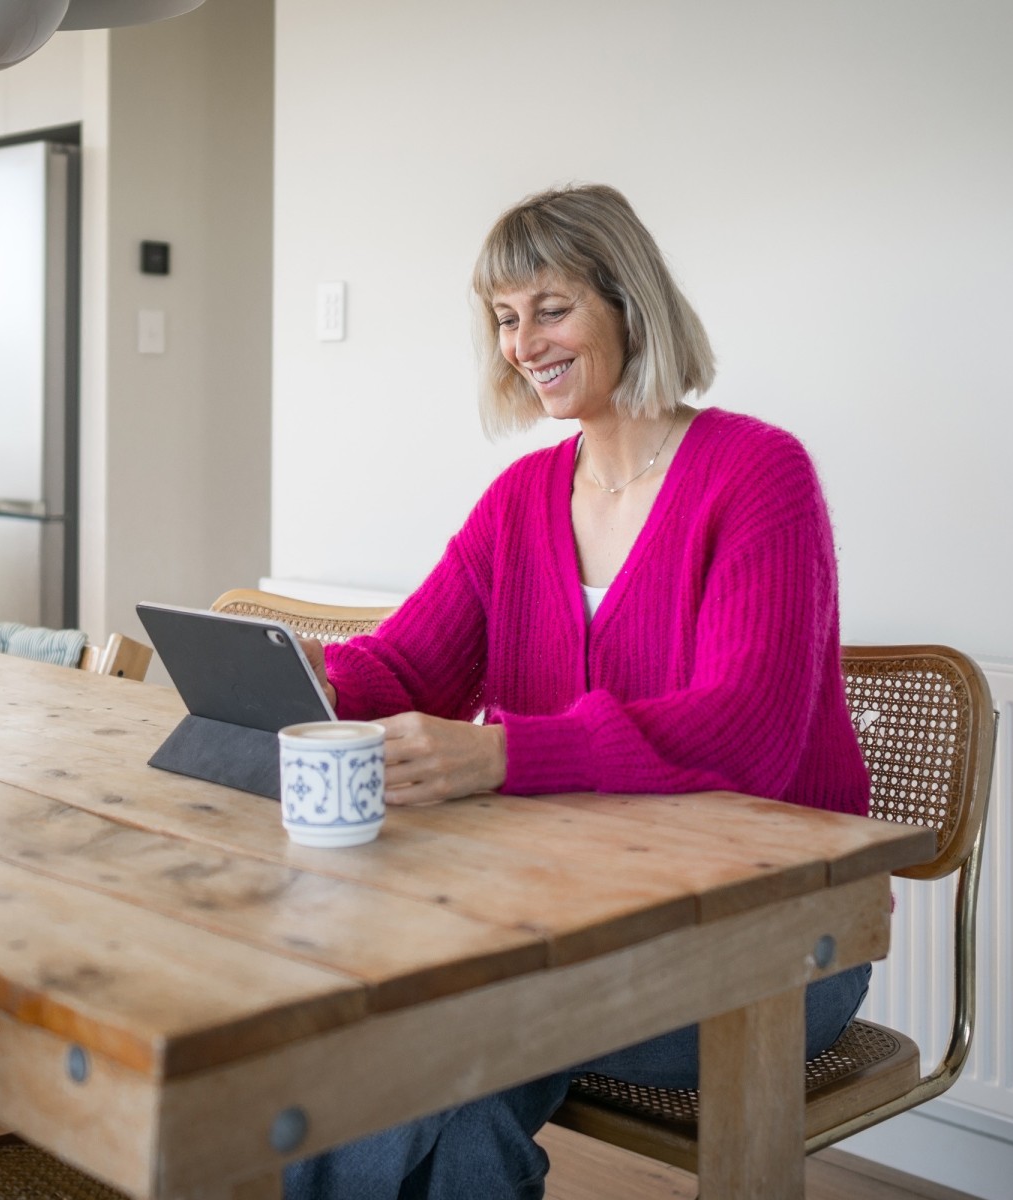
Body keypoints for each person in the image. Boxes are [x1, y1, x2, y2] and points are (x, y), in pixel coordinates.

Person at [288, 183, 872, 1200]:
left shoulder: (758, 475)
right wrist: (294, 669)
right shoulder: (521, 500)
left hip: (767, 943)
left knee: (432, 1030)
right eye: (505, 319)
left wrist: (504, 753)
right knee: (438, 1065)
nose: (522, 343)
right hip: (559, 919)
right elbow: (406, 668)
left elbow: (749, 735)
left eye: (549, 309)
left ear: (627, 304)